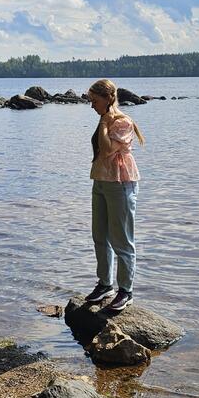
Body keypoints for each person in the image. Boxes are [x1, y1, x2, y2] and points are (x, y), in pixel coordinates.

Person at [84, 79, 145, 313]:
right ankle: (105, 284)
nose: (92, 106)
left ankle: (125, 291)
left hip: (121, 183)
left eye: (95, 101)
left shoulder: (123, 122)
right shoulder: (104, 119)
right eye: (91, 101)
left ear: (108, 98)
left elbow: (109, 149)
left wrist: (106, 122)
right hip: (100, 180)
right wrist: (103, 119)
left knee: (122, 239)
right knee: (99, 235)